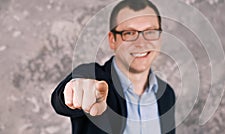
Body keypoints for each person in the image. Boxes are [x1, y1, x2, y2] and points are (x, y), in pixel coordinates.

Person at [51, 0, 176, 133]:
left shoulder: (167, 95)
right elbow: (60, 100)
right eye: (129, 33)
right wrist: (74, 91)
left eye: (150, 32)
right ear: (112, 40)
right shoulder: (93, 76)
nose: (141, 43)